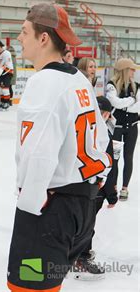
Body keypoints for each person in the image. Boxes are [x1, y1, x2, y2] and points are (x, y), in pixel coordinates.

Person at [7, 3, 112, 291]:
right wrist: (99, 180)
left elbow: (39, 150)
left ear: (44, 38)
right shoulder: (78, 79)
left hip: (50, 210)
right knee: (49, 285)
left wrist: (30, 202)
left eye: (24, 31)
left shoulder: (44, 82)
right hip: (82, 206)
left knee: (28, 287)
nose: (19, 38)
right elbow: (102, 139)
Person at [73, 96, 119, 281]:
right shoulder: (93, 130)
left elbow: (112, 166)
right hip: (87, 185)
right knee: (85, 225)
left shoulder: (108, 133)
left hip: (93, 186)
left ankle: (77, 256)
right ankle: (80, 258)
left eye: (103, 113)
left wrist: (111, 192)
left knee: (85, 223)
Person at [105, 57, 139, 201]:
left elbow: (138, 107)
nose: (134, 71)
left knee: (129, 157)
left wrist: (123, 105)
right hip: (116, 128)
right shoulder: (111, 85)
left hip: (131, 127)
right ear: (125, 70)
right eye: (132, 68)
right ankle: (112, 186)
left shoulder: (137, 86)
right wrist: (131, 101)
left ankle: (124, 188)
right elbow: (114, 102)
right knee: (115, 158)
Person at [0, 40, 13, 110]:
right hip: (0, 72)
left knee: (5, 89)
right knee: (0, 89)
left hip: (7, 72)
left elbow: (7, 64)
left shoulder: (6, 53)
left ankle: (7, 103)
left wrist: (1, 70)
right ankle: (2, 102)